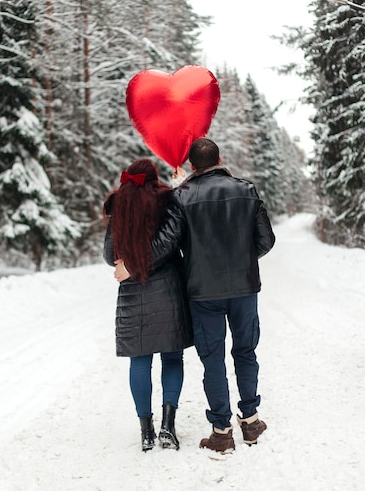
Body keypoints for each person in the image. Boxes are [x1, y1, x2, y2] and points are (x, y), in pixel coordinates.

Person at [116, 138, 275, 454]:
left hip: (202, 293)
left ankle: (221, 431)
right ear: (221, 158)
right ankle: (251, 420)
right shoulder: (247, 190)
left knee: (212, 359)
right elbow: (266, 240)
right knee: (245, 351)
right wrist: (242, 260)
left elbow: (166, 243)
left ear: (191, 165)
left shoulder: (181, 197)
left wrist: (131, 265)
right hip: (244, 289)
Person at [103, 158, 193, 452]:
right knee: (171, 358)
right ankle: (168, 426)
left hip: (132, 293)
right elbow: (170, 239)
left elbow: (108, 254)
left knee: (139, 361)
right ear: (154, 178)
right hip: (167, 287)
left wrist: (131, 265)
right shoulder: (167, 199)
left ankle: (146, 431)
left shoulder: (119, 204)